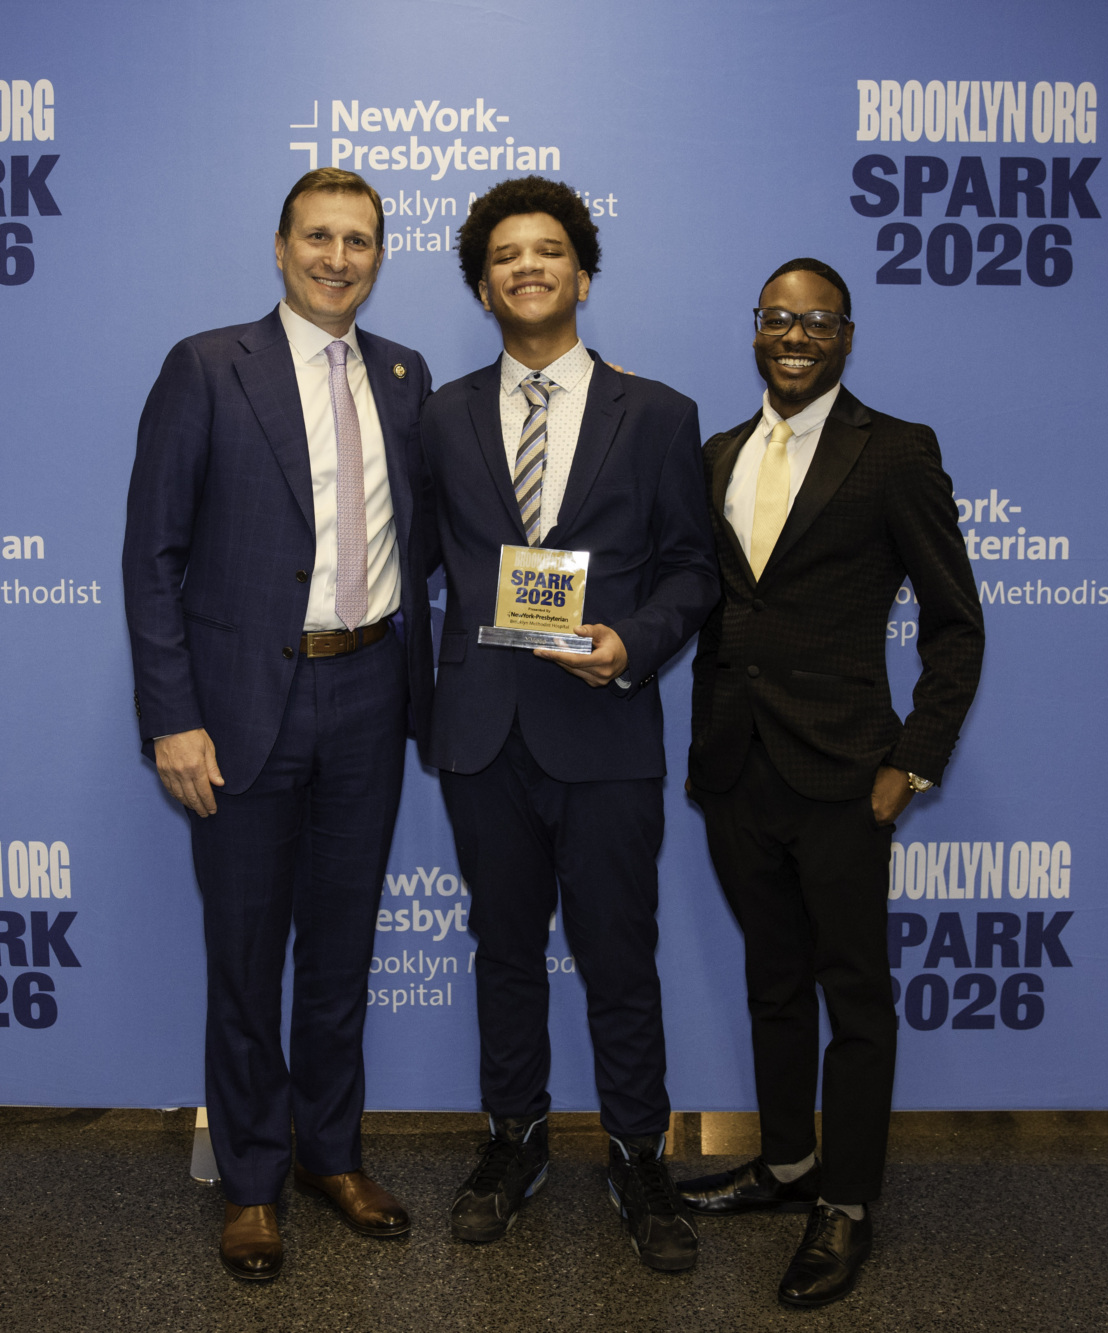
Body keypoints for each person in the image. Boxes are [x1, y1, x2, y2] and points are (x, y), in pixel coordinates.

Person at [121, 168, 434, 1281]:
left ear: (379, 255)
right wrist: (172, 717)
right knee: (247, 957)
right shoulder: (206, 366)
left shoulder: (405, 375)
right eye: (317, 236)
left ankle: (330, 1156)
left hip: (369, 693)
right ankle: (253, 1180)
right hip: (244, 705)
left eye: (357, 240)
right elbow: (151, 557)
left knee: (340, 953)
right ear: (278, 245)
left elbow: (460, 514)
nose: (336, 257)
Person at [419, 175, 718, 1272]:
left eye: (548, 250)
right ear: (482, 285)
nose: (527, 268)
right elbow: (410, 566)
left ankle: (638, 1155)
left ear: (581, 274)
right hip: (483, 731)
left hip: (602, 731)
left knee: (617, 958)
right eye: (504, 257)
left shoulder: (660, 415)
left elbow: (692, 569)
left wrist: (633, 644)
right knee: (501, 952)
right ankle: (513, 1138)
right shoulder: (439, 414)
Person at [675, 258, 984, 1308]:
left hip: (847, 773)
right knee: (771, 978)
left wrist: (910, 760)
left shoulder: (894, 451)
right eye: (775, 319)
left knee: (852, 994)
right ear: (753, 332)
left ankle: (843, 1200)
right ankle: (786, 1164)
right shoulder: (715, 452)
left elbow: (955, 624)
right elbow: (709, 613)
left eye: (815, 322)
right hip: (734, 769)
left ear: (846, 336)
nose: (793, 336)